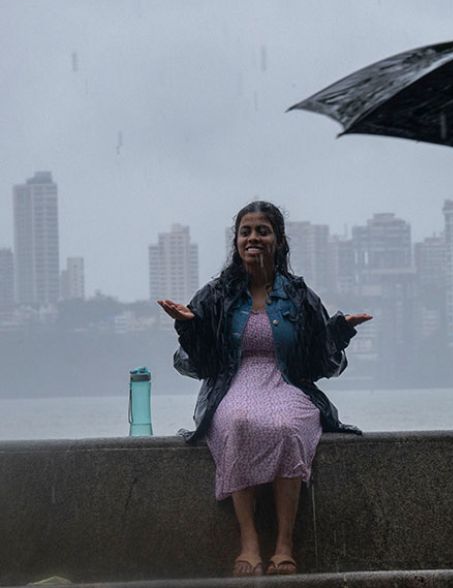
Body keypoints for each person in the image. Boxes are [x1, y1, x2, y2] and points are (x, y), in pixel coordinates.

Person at [157, 201, 372, 577]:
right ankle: (250, 541)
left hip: (285, 383)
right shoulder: (216, 294)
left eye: (262, 231)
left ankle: (285, 544)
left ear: (279, 240)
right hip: (232, 385)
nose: (253, 238)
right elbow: (202, 365)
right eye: (246, 231)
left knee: (288, 427)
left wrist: (339, 331)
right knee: (238, 421)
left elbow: (319, 364)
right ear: (236, 240)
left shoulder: (299, 296)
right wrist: (189, 327)